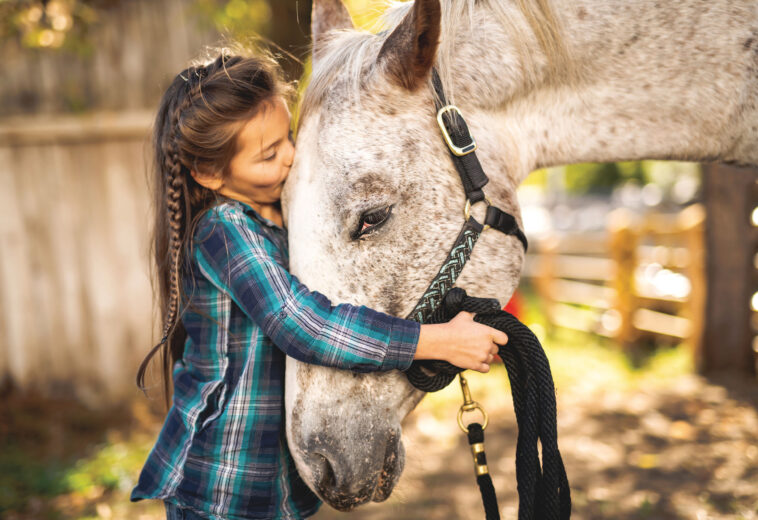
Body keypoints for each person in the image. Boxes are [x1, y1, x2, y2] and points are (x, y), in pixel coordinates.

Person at [130, 49, 508, 520]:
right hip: (223, 485)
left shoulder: (277, 219)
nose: (291, 157)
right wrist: (434, 342)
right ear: (209, 173)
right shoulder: (224, 229)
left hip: (278, 491)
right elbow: (301, 324)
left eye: (288, 137)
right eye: (269, 154)